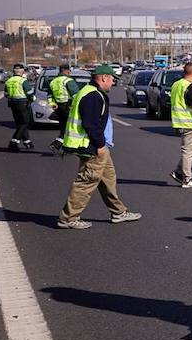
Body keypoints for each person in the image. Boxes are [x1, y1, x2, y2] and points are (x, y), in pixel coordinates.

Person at [57, 64, 142, 229]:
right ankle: (68, 218)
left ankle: (118, 212)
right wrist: (101, 145)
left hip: (95, 145)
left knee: (108, 179)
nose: (113, 83)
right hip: (92, 146)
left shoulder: (90, 92)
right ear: (103, 78)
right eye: (111, 79)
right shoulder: (93, 96)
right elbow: (91, 124)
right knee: (86, 181)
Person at [5, 64, 35, 151]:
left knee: (20, 123)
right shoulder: (23, 81)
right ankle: (13, 143)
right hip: (22, 103)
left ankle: (27, 142)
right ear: (22, 71)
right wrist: (33, 99)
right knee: (25, 123)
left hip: (12, 103)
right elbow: (30, 94)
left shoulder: (8, 81)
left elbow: (6, 94)